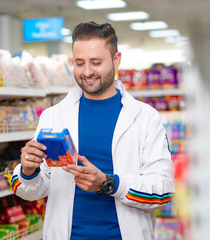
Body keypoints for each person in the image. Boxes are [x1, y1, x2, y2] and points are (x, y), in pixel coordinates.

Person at [11, 21, 175, 240]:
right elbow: (31, 191)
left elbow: (164, 189)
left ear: (116, 60)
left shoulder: (145, 118)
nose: (87, 72)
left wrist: (109, 183)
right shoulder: (54, 117)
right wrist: (28, 171)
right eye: (79, 63)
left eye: (96, 62)